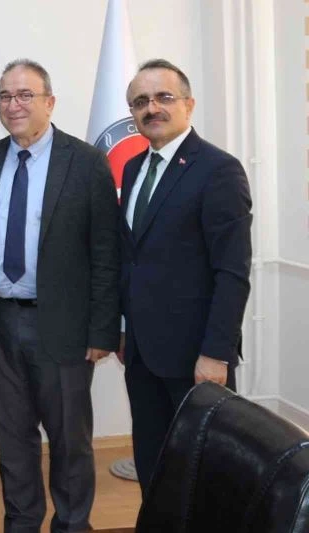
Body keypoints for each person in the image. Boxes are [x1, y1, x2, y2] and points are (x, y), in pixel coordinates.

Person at [0, 59, 120, 533]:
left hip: (64, 325)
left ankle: (72, 524)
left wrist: (102, 330)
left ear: (50, 102)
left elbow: (105, 253)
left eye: (25, 95)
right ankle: (22, 522)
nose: (14, 105)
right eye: (5, 96)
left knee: (70, 440)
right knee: (12, 439)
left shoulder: (86, 162)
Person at [118, 59, 252, 493]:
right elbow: (133, 258)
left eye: (164, 97)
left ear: (189, 105)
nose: (151, 108)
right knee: (154, 465)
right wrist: (124, 329)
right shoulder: (134, 169)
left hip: (196, 357)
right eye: (140, 101)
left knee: (204, 474)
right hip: (142, 353)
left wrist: (216, 353)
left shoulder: (218, 169)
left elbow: (232, 271)